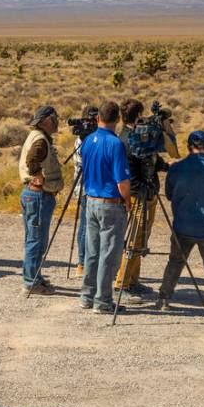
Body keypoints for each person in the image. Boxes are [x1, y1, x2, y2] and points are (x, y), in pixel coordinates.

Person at [156, 131, 204, 320]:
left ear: (188, 146)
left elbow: (168, 194)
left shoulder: (177, 168)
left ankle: (163, 299)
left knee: (175, 262)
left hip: (183, 226)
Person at [115, 99, 179, 303]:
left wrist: (165, 166)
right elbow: (129, 172)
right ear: (138, 115)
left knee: (142, 237)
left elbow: (149, 158)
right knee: (134, 238)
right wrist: (142, 189)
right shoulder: (127, 139)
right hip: (138, 195)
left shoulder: (137, 136)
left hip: (147, 192)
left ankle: (133, 281)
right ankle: (121, 285)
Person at [79, 102, 131, 314]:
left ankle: (87, 295)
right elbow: (122, 181)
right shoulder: (115, 144)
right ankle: (103, 300)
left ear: (98, 118)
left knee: (92, 251)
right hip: (110, 203)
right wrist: (127, 199)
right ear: (117, 119)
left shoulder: (88, 140)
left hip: (90, 200)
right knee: (109, 253)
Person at [18, 105, 63, 296]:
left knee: (35, 239)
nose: (56, 122)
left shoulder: (39, 137)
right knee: (36, 241)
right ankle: (30, 282)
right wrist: (38, 177)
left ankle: (34, 276)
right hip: (38, 195)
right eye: (54, 119)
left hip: (35, 195)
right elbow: (32, 160)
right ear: (45, 121)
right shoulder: (40, 140)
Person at [72, 106, 99, 277]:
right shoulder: (81, 140)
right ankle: (82, 263)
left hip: (94, 187)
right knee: (84, 226)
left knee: (91, 226)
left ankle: (90, 261)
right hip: (84, 187)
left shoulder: (96, 137)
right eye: (90, 119)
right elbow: (83, 162)